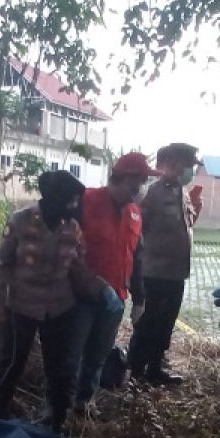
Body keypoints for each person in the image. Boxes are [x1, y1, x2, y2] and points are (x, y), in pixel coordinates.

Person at [0, 170, 120, 434]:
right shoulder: (20, 221)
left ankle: (57, 422)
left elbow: (77, 267)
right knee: (12, 363)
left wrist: (102, 289)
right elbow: (2, 265)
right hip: (21, 307)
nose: (76, 207)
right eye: (72, 201)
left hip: (59, 308)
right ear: (54, 199)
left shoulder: (72, 228)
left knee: (60, 370)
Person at [69, 152, 156, 413]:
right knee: (73, 353)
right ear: (118, 177)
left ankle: (85, 402)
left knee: (98, 353)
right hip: (81, 296)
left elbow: (136, 258)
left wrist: (140, 299)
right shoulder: (85, 201)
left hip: (115, 299)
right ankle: (62, 405)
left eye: (143, 182)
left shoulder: (135, 214)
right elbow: (66, 247)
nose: (139, 188)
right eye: (135, 181)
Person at [128, 142, 202, 385]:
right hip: (154, 273)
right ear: (171, 164)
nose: (191, 170)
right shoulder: (150, 192)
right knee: (148, 324)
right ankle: (134, 372)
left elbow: (180, 226)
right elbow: (136, 230)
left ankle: (155, 369)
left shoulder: (181, 191)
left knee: (165, 324)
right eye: (188, 165)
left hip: (176, 273)